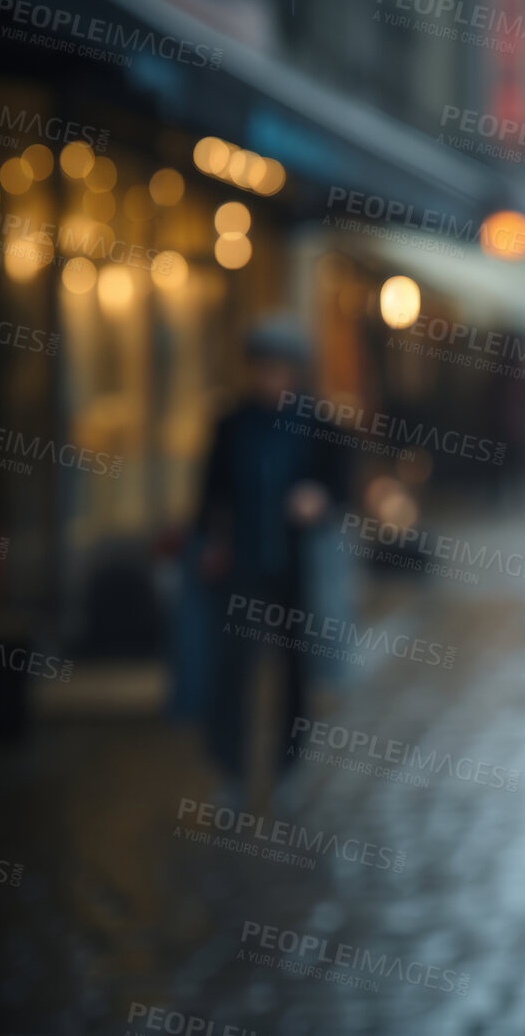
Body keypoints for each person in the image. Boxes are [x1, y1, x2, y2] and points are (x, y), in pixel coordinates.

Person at [193, 319, 347, 810]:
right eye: (264, 369)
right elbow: (209, 493)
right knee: (231, 669)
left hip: (295, 569)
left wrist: (317, 499)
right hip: (242, 566)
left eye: (281, 370)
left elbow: (339, 484)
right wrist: (207, 542)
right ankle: (231, 769)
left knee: (294, 672)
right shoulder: (233, 423)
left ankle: (288, 767)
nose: (272, 380)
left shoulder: (318, 425)